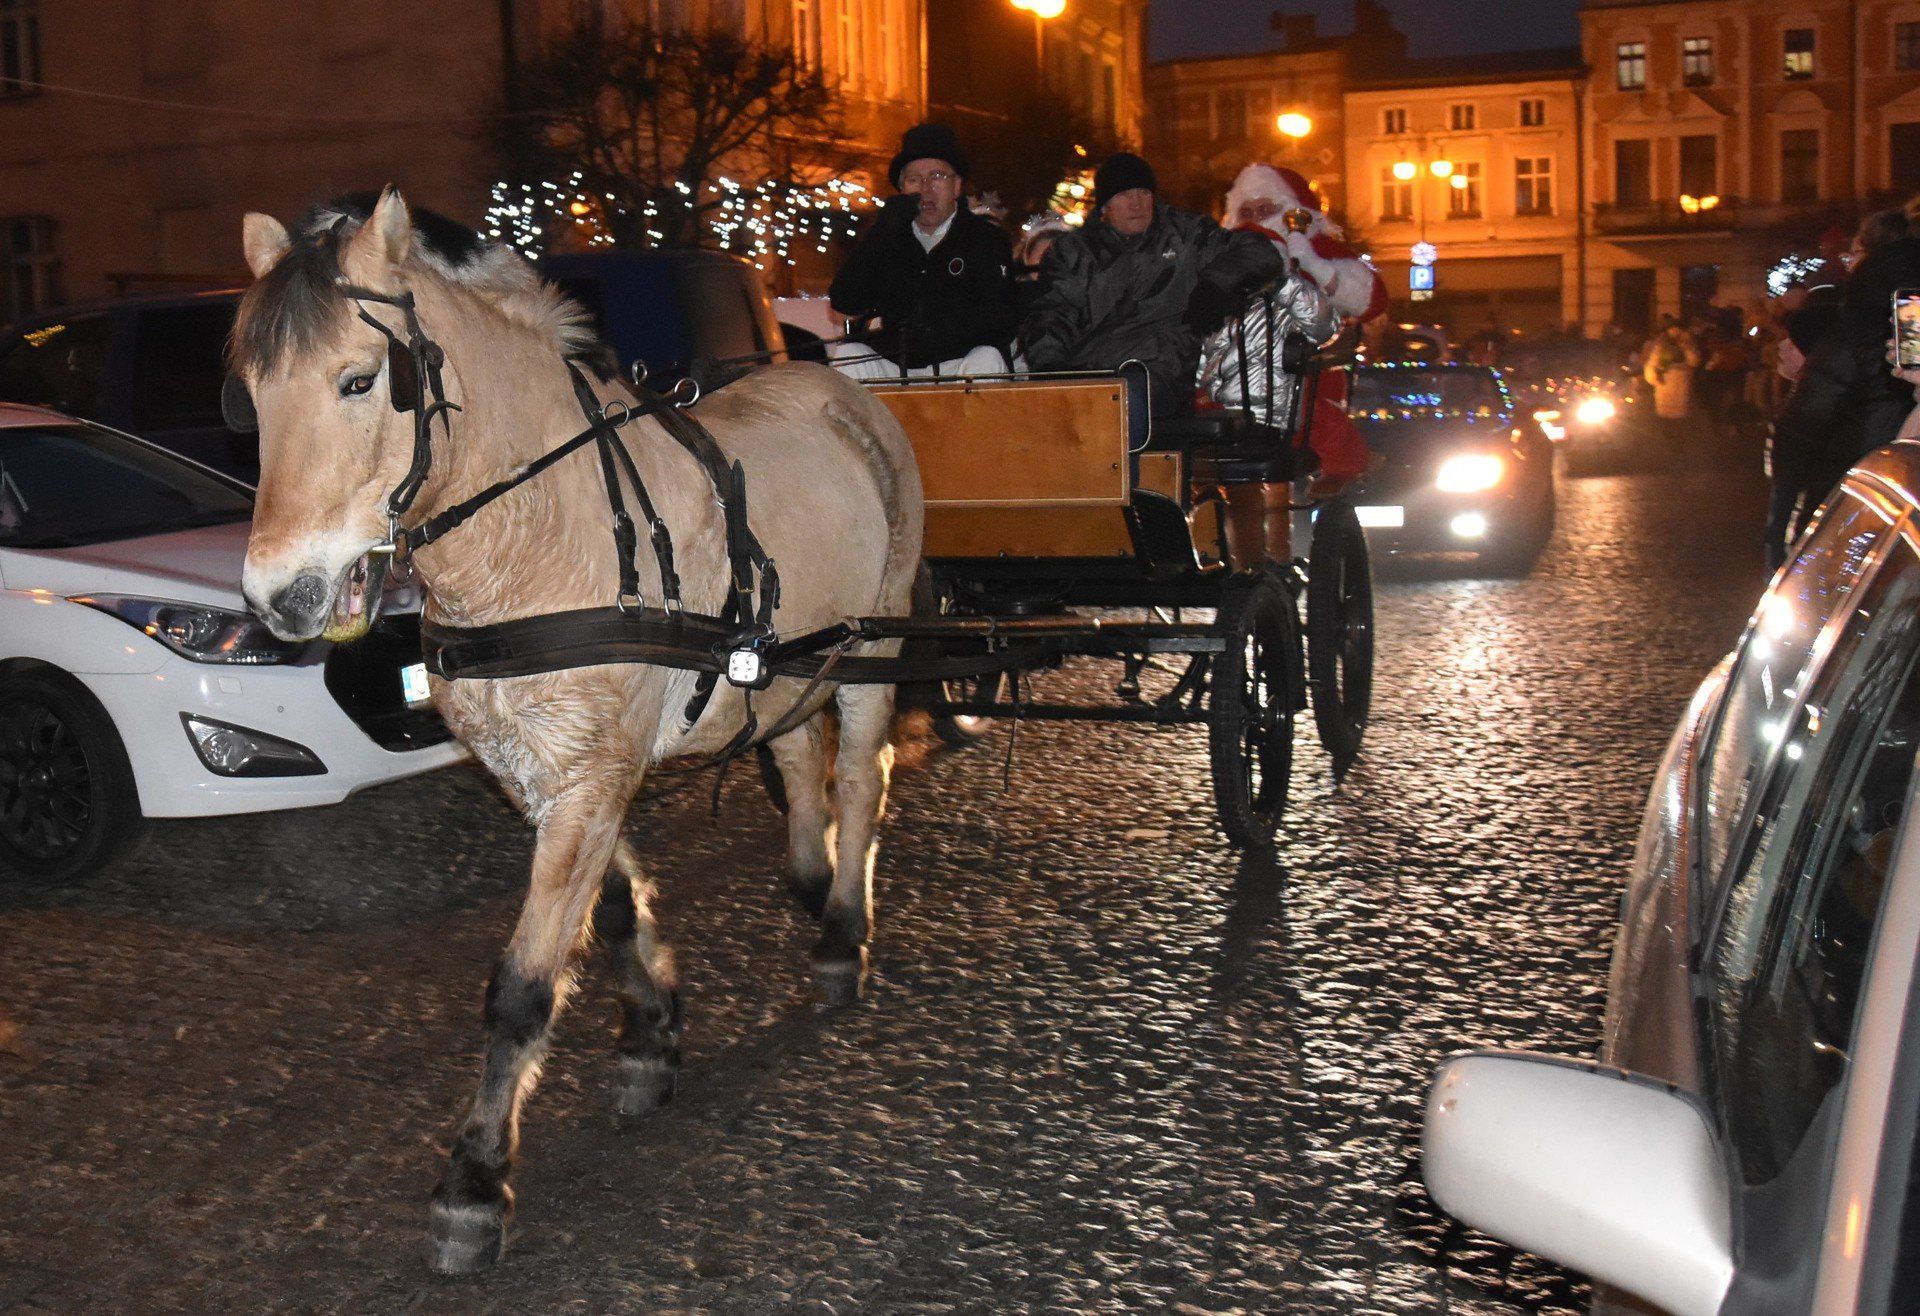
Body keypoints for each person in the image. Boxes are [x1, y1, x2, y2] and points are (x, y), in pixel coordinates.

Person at [1196, 163, 1387, 569]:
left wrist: (1316, 268)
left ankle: (1269, 557)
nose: (1254, 221)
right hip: (1232, 390)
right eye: (1245, 213)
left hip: (1298, 380)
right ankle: (1234, 556)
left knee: (1293, 423)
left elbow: (1364, 300)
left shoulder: (1315, 252)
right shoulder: (1217, 266)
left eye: (1265, 209)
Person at [1021, 151, 1287, 416]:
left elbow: (1260, 253)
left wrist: (1216, 283)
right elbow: (1052, 314)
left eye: (1144, 193)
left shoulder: (1185, 236)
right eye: (1125, 195)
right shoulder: (1075, 252)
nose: (1136, 203)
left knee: (1124, 402)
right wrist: (1051, 369)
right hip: (1089, 371)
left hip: (1157, 370)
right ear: (1105, 206)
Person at [827, 122, 1018, 379]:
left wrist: (935, 328)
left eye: (937, 177)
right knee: (849, 357)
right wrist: (882, 233)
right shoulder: (889, 238)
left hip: (958, 364)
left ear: (957, 187)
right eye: (914, 179)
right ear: (902, 189)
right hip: (898, 364)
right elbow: (845, 300)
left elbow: (999, 319)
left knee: (987, 358)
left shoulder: (985, 239)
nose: (926, 188)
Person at [1640, 316, 1701, 432]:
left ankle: (1677, 435)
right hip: (1664, 380)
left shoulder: (1687, 342)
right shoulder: (1660, 343)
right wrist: (1653, 376)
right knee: (1665, 412)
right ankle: (1666, 433)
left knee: (1678, 413)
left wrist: (1685, 346)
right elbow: (1653, 361)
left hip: (1680, 380)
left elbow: (1694, 360)